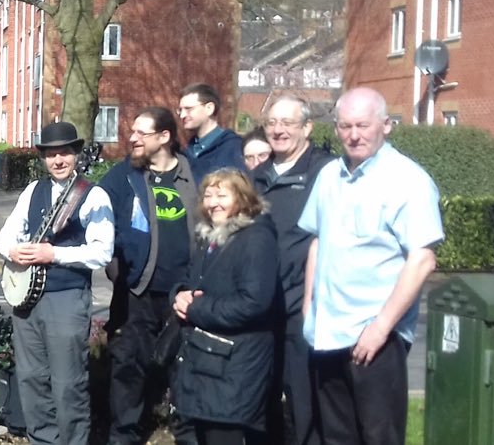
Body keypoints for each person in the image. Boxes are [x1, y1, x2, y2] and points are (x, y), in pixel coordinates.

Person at [300, 87, 443, 445]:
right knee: (336, 437)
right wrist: (308, 309)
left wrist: (380, 328)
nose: (353, 135)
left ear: (386, 125)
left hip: (376, 337)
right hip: (327, 332)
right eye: (345, 126)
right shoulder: (329, 176)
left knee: (379, 438)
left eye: (363, 125)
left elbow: (422, 259)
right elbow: (318, 242)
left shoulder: (408, 181)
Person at [0, 121, 114, 445]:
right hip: (26, 301)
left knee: (67, 383)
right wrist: (13, 251)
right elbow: (4, 238)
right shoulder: (33, 190)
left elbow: (102, 252)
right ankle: (42, 440)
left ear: (76, 154)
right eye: (51, 155)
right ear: (43, 158)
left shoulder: (93, 195)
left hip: (67, 297)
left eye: (64, 153)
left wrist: (54, 254)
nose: (58, 160)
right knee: (31, 379)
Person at [98, 107, 202, 445]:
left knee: (186, 368)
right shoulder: (122, 176)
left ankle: (187, 435)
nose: (132, 138)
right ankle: (123, 436)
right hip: (136, 292)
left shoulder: (193, 173)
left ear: (164, 137)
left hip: (184, 293)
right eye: (133, 131)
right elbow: (96, 218)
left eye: (142, 133)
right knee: (128, 366)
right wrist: (115, 267)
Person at [170, 169, 280, 445]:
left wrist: (195, 309)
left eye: (222, 196)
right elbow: (190, 278)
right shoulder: (209, 236)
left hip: (235, 363)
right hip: (204, 360)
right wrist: (179, 295)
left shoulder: (256, 238)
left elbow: (253, 303)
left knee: (223, 437)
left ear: (242, 198)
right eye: (208, 196)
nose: (213, 203)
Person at [250, 95, 335, 445]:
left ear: (307, 128)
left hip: (304, 307)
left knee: (304, 402)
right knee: (261, 399)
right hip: (260, 307)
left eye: (287, 123)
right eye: (272, 123)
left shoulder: (326, 174)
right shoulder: (256, 178)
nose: (278, 130)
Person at [178, 83, 246, 179]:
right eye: (180, 110)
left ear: (209, 108)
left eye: (188, 109)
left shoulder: (233, 148)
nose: (182, 115)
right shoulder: (187, 153)